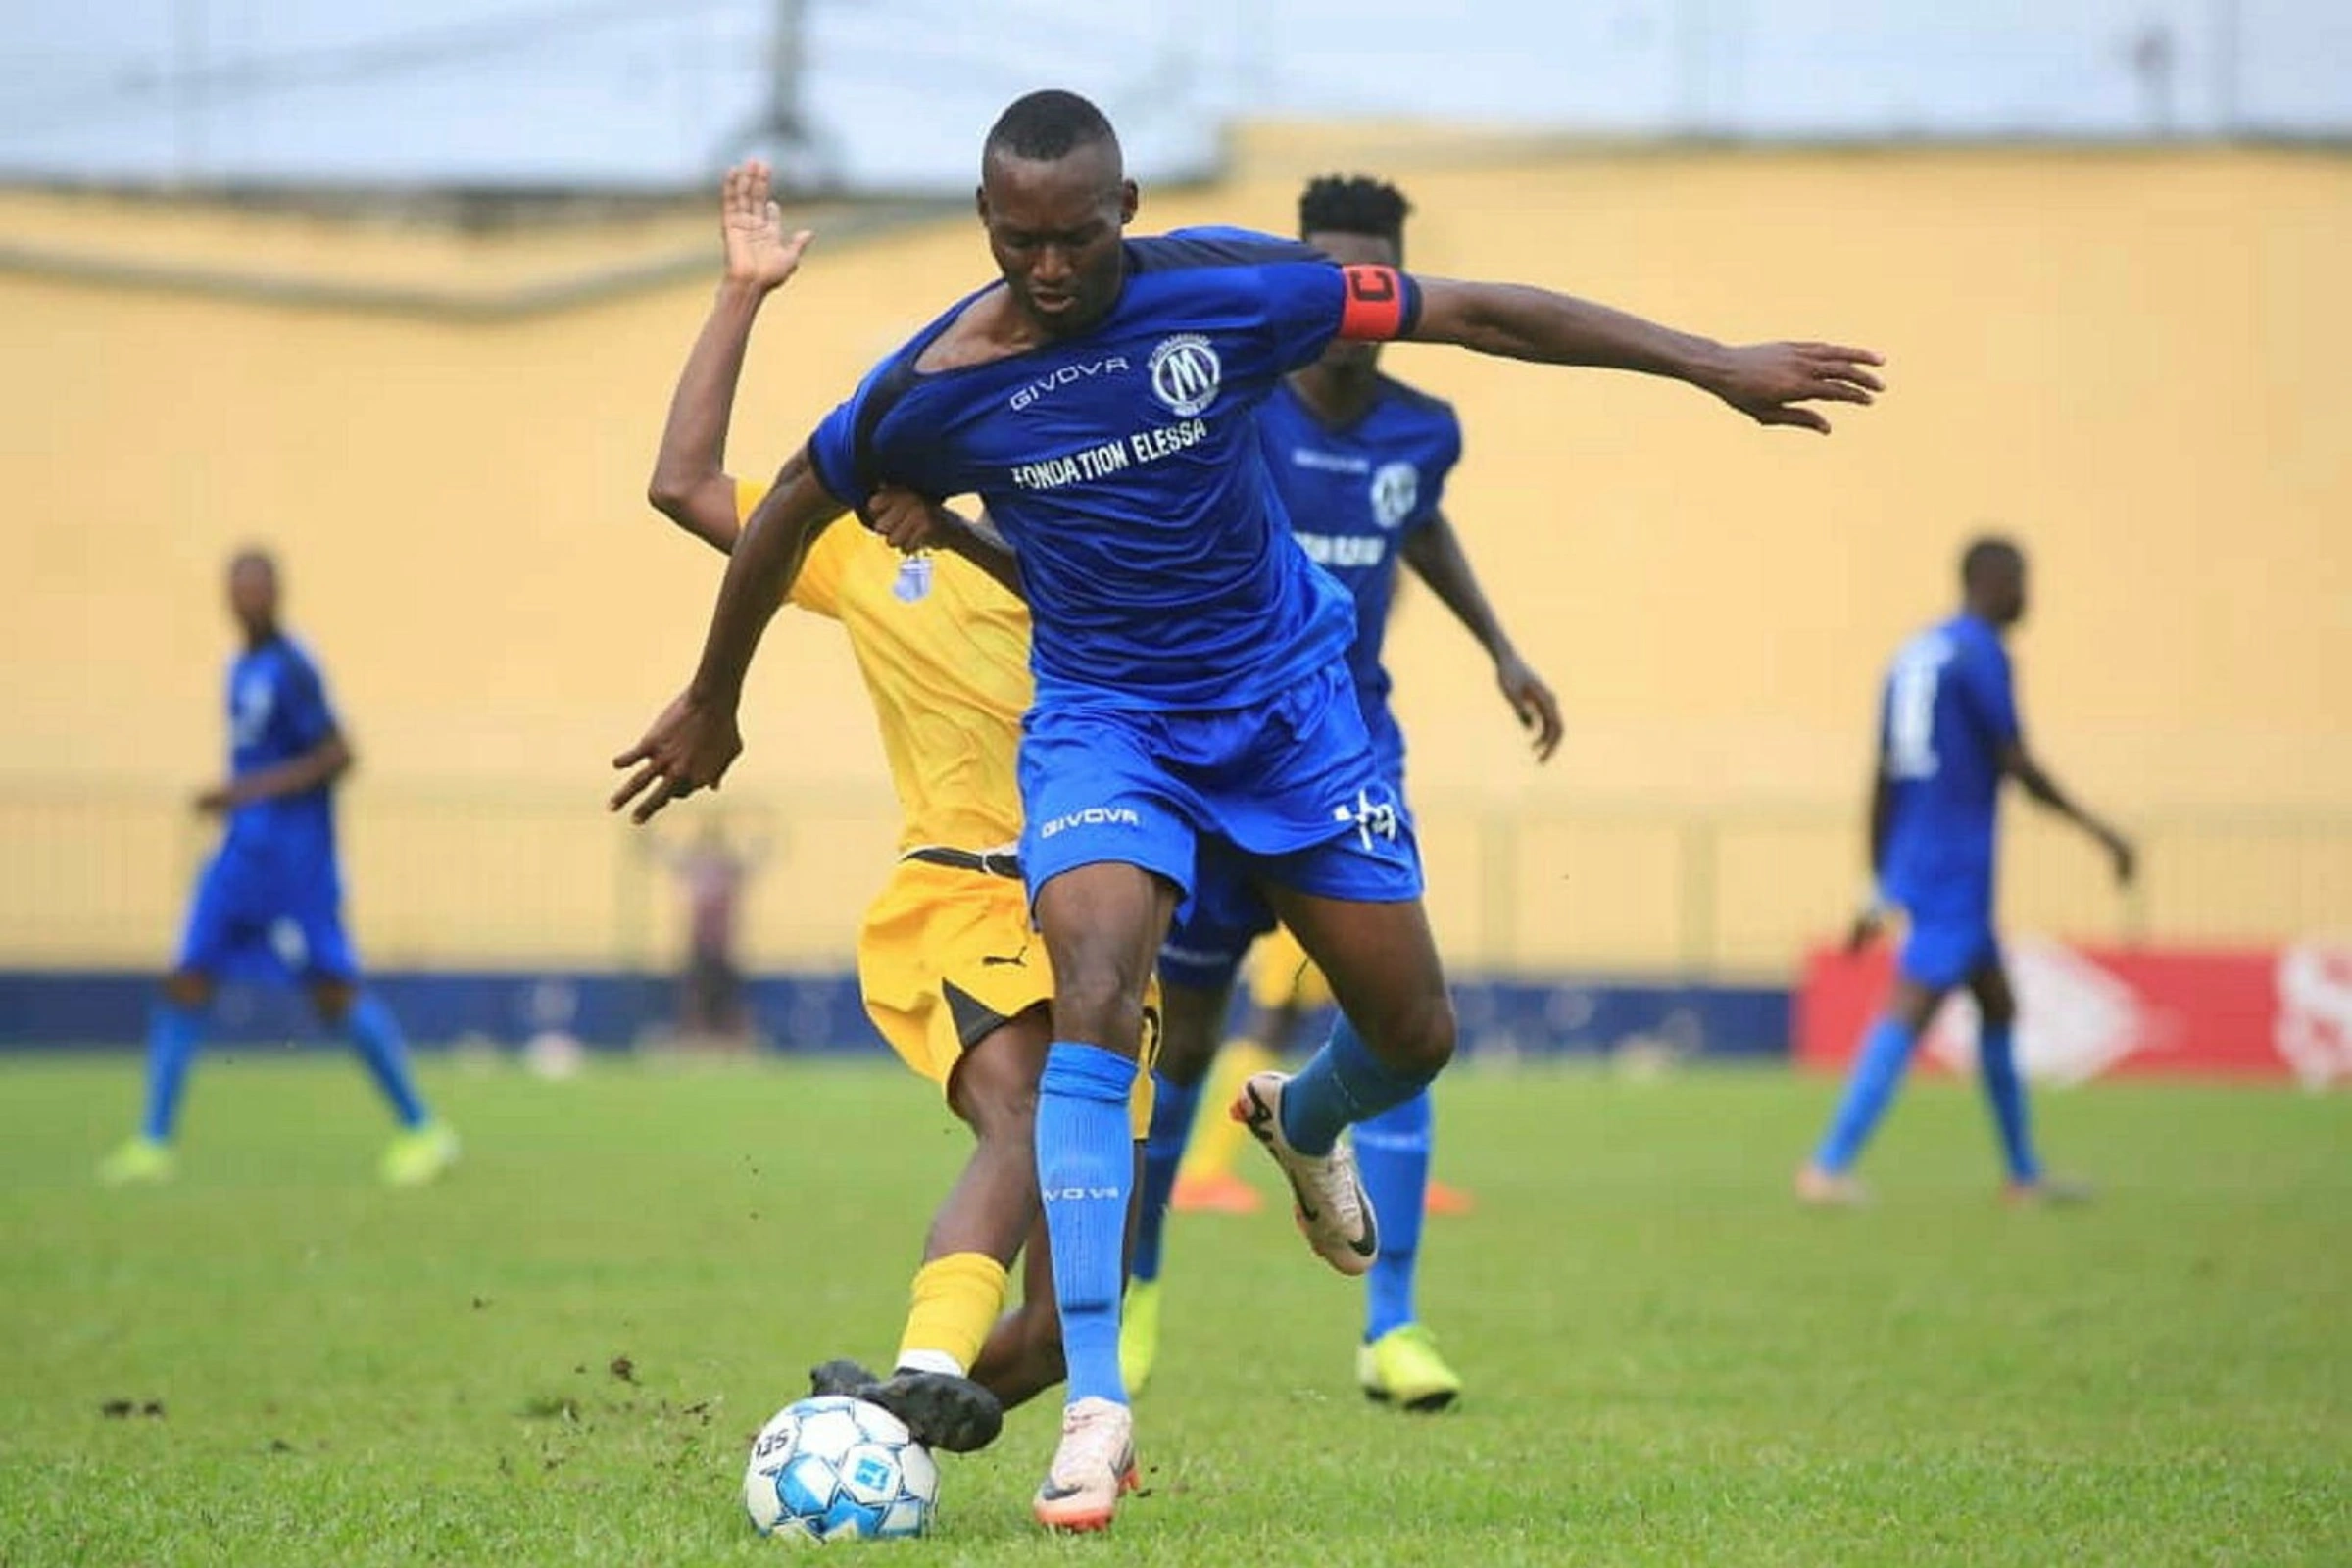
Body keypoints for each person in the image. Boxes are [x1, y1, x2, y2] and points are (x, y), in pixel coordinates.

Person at [612, 88, 1881, 1530]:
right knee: (1093, 997)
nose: (1047, 268)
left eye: (1076, 238)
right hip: (1108, 729)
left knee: (1414, 1033)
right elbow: (768, 503)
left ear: (1127, 209)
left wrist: (1711, 363)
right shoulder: (934, 390)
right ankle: (1095, 1409)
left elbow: (1471, 312)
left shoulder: (1234, 295)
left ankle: (1300, 1117)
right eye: (1018, 240)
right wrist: (716, 696)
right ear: (983, 226)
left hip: (1288, 703)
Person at [639, 160, 1157, 1463]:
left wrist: (966, 537)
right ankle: (924, 1364)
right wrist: (739, 296)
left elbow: (1092, 610)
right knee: (1023, 1116)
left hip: (1106, 929)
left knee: (1056, 1327)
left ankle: (873, 1426)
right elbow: (685, 484)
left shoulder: (1108, 537)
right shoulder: (868, 549)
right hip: (963, 892)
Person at [1120, 174, 1561, 1414]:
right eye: (1322, 276)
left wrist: (1502, 649)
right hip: (1214, 760)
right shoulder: (1234, 405)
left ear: (1392, 286)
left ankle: (1394, 1325)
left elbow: (1420, 524)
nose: (1343, 305)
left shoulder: (1424, 429)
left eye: (1363, 280)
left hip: (1349, 756)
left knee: (1402, 1028)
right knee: (1184, 1043)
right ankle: (1140, 1294)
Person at [98, 551, 458, 1188]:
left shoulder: (294, 666)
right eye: (239, 590)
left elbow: (341, 753)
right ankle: (153, 1142)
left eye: (258, 589)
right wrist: (242, 807)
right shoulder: (238, 668)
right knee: (185, 978)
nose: (249, 601)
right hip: (241, 859)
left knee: (333, 992)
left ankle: (422, 1127)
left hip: (296, 865)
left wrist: (244, 792)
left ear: (278, 594)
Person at [1797, 536, 2135, 1206]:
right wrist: (2100, 833)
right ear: (1993, 581)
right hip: (1957, 859)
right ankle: (1827, 1167)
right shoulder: (1981, 653)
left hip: (1919, 853)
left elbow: (1884, 774)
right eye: (2022, 582)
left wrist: (1879, 878)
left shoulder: (1913, 654)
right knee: (1913, 1002)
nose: (2027, 598)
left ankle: (2023, 1175)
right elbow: (2017, 762)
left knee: (1996, 1002)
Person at [649, 815, 766, 1050]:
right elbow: (667, 857)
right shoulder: (696, 866)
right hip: (699, 942)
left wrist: (763, 838)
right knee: (695, 993)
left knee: (726, 995)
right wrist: (651, 837)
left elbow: (756, 860)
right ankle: (694, 1038)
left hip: (723, 943)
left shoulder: (728, 867)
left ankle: (731, 1040)